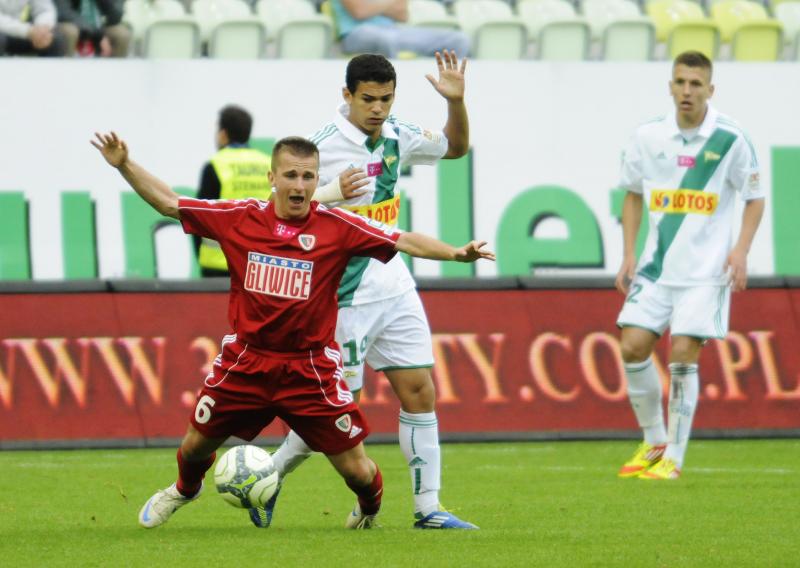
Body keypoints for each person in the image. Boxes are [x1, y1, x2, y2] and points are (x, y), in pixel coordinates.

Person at [91, 131, 494, 529]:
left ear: (317, 181)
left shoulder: (338, 225)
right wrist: (125, 164)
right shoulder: (239, 218)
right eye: (290, 175)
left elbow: (402, 239)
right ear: (272, 177)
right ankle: (183, 489)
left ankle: (368, 509)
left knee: (358, 471)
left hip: (310, 368)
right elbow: (169, 202)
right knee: (195, 446)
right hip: (247, 361)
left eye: (307, 176)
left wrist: (455, 253)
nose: (299, 185)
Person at [268, 51, 477, 529]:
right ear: (347, 95)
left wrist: (455, 102)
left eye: (385, 99)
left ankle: (428, 509)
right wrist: (328, 193)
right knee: (340, 410)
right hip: (344, 295)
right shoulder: (322, 146)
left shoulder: (399, 133)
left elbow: (456, 148)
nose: (378, 108)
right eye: (368, 99)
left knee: (420, 390)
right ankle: (269, 475)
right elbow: (277, 211)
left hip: (394, 283)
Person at [614, 51, 765, 480]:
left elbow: (754, 198)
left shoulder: (730, 138)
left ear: (710, 90)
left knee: (682, 353)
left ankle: (674, 460)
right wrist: (628, 253)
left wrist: (741, 250)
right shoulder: (648, 136)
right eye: (680, 82)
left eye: (695, 84)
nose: (687, 91)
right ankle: (654, 442)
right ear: (670, 86)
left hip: (704, 274)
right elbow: (632, 194)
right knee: (632, 346)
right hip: (656, 268)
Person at [195, 105, 272, 277]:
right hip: (259, 263)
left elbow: (198, 216)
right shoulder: (268, 164)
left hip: (219, 265)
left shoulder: (215, 165)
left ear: (223, 134)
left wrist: (200, 255)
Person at [331, 0, 470, 59]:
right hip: (355, 33)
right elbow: (359, 11)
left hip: (393, 30)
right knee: (386, 40)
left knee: (458, 40)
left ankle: (448, 92)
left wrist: (373, 6)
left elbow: (403, 15)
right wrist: (389, 4)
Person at [54, 0, 131, 58]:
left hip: (101, 26)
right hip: (73, 24)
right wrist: (98, 35)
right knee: (69, 31)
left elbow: (117, 13)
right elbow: (63, 12)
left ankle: (115, 72)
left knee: (122, 34)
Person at [0, 0, 68, 56]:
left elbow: (45, 10)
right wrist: (28, 31)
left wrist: (41, 29)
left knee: (55, 40)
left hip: (28, 32)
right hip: (10, 32)